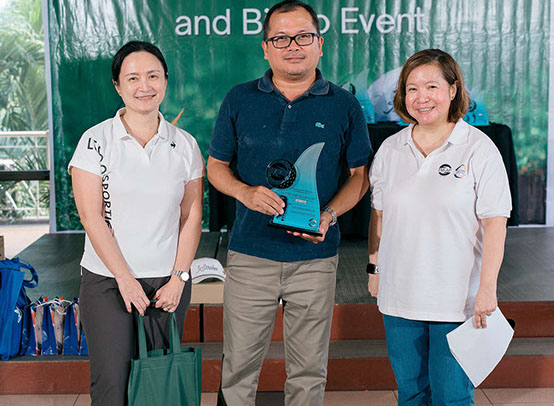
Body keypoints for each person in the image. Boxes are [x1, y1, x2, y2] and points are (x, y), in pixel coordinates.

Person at [207, 1, 372, 404]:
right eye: (280, 38)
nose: (293, 46)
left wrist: (329, 215)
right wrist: (244, 192)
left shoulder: (344, 104)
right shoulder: (239, 98)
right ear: (266, 48)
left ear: (320, 43)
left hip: (314, 259)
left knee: (309, 371)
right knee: (238, 367)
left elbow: (360, 177)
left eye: (303, 36)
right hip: (251, 255)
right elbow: (215, 167)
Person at [367, 49, 511, 405]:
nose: (422, 97)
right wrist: (374, 267)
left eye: (432, 86)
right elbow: (379, 215)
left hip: (456, 301)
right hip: (399, 299)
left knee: (451, 396)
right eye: (412, 88)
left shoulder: (478, 148)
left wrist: (487, 289)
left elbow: (495, 224)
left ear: (453, 90)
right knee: (411, 394)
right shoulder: (390, 149)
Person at [69, 41, 204, 406]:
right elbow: (91, 216)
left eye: (153, 76)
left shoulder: (185, 145)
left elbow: (191, 216)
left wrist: (179, 278)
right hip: (108, 282)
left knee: (158, 387)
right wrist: (125, 280)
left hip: (166, 286)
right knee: (112, 385)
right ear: (118, 85)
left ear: (165, 81)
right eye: (133, 78)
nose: (144, 86)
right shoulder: (95, 141)